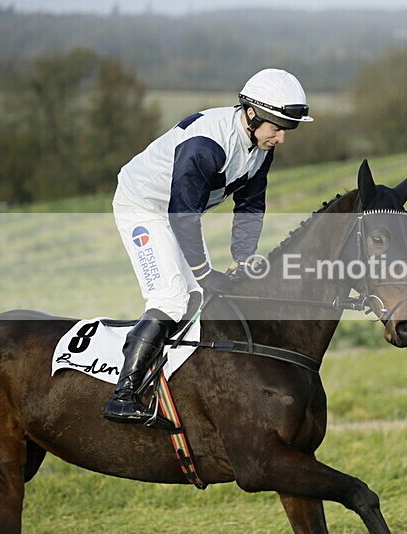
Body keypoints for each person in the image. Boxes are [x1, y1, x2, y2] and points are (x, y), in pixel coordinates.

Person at [103, 68, 314, 425]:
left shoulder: (260, 147)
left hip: (179, 210)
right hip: (143, 205)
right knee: (171, 299)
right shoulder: (206, 146)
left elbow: (250, 206)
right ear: (251, 114)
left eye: (287, 130)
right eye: (277, 128)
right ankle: (122, 395)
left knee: (198, 297)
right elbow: (182, 216)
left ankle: (176, 386)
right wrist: (203, 271)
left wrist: (242, 259)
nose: (282, 138)